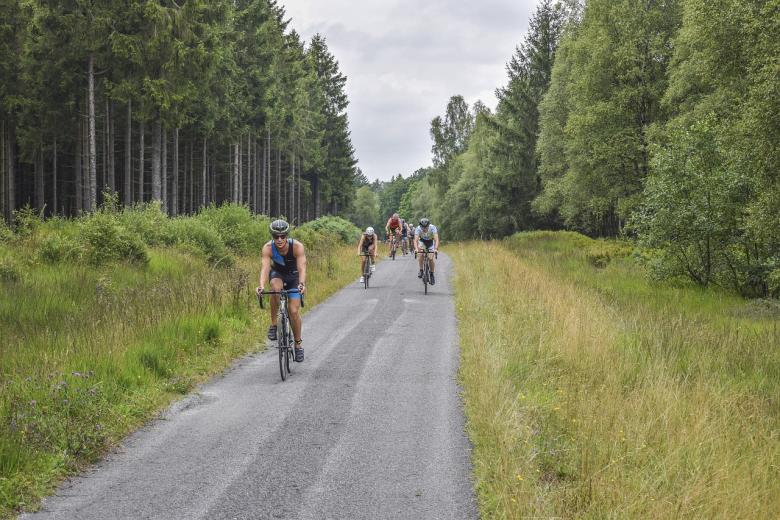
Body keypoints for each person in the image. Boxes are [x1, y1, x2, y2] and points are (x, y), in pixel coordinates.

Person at [256, 219, 307, 362]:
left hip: (293, 277)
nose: (279, 239)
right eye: (276, 237)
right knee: (274, 289)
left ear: (287, 236)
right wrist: (260, 285)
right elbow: (265, 268)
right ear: (272, 237)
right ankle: (274, 324)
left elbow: (302, 267)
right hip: (277, 274)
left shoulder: (297, 247)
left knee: (294, 311)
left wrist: (302, 284)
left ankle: (298, 345)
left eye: (282, 236)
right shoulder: (267, 248)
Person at [414, 217, 440, 285]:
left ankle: (431, 274)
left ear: (428, 225)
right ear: (420, 226)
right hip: (422, 242)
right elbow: (416, 240)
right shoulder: (418, 228)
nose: (424, 229)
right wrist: (416, 249)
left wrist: (436, 249)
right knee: (420, 254)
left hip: (430, 242)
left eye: (426, 227)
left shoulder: (433, 228)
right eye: (423, 227)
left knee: (431, 258)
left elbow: (436, 240)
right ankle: (421, 270)